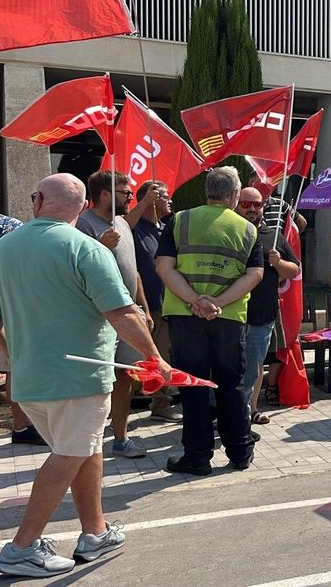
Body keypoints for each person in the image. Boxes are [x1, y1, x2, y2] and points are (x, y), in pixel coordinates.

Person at [0, 173, 169, 577]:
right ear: (83, 208)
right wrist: (156, 359)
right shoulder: (86, 248)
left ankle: (95, 531)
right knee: (71, 453)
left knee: (85, 449)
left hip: (30, 379)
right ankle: (21, 547)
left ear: (37, 201)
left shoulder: (2, 249)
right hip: (81, 375)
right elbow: (121, 313)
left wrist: (13, 349)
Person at [157, 166, 264, 476]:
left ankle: (197, 457)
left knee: (193, 387)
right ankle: (240, 451)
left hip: (184, 315)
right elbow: (255, 274)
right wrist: (218, 302)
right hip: (229, 318)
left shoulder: (179, 220)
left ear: (207, 192)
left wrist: (194, 300)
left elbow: (164, 267)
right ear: (233, 195)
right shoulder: (247, 229)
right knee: (231, 386)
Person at [75, 171, 152, 460]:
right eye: (125, 192)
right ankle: (87, 440)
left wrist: (142, 306)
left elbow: (133, 268)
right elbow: (79, 270)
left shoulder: (122, 222)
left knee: (124, 376)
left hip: (128, 312)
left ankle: (121, 438)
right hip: (100, 317)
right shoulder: (83, 224)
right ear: (105, 194)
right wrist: (101, 247)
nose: (130, 197)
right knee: (100, 379)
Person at [0, 175, 41, 447]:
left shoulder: (11, 225)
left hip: (6, 306)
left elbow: (19, 259)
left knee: (12, 364)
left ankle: (21, 425)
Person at [235, 188, 300, 426]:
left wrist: (278, 262)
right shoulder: (230, 233)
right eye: (245, 204)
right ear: (236, 205)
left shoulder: (274, 236)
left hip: (262, 316)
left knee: (255, 366)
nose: (252, 209)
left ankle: (250, 410)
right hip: (230, 315)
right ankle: (231, 412)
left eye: (257, 205)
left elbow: (294, 269)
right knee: (231, 368)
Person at [125, 180, 182, 423]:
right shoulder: (134, 227)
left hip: (168, 303)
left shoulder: (166, 228)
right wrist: (144, 202)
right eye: (165, 196)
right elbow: (123, 228)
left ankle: (162, 402)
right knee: (149, 358)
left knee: (163, 355)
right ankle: (155, 403)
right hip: (145, 305)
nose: (170, 200)